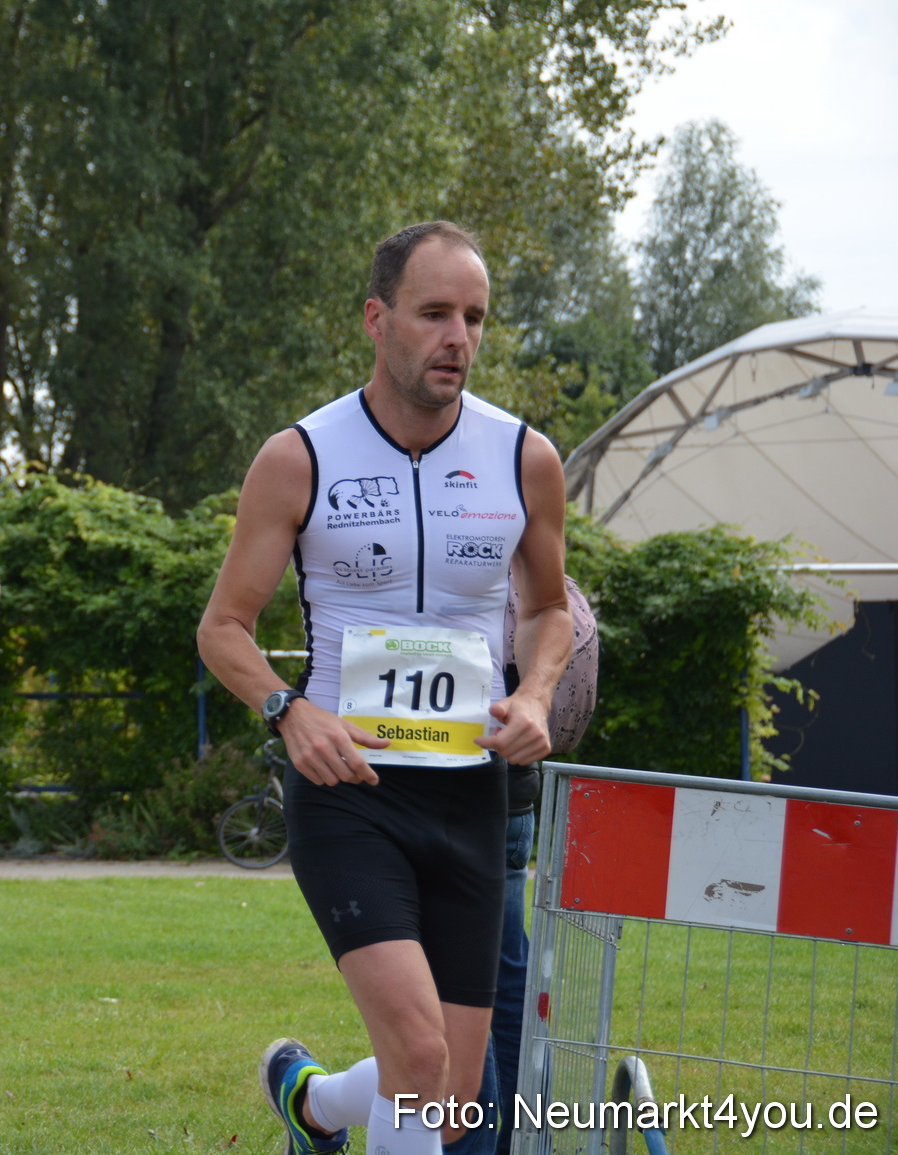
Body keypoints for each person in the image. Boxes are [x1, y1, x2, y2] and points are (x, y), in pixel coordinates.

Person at [196, 221, 572, 1155]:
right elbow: (223, 628)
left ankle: (314, 1104)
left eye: (475, 318)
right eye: (435, 313)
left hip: (471, 791)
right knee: (415, 1046)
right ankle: (328, 1105)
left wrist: (535, 696)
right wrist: (289, 710)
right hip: (348, 791)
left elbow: (548, 612)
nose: (459, 337)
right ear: (377, 318)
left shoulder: (525, 457)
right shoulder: (299, 456)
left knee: (445, 1099)